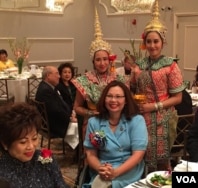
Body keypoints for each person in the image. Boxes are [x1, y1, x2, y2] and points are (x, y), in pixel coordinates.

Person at [130, 0, 185, 171]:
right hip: (141, 116)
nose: (152, 45)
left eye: (156, 41)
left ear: (163, 42)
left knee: (161, 160)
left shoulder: (171, 65)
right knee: (140, 154)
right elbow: (131, 90)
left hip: (163, 116)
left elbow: (178, 98)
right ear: (145, 43)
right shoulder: (138, 64)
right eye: (149, 41)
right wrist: (133, 80)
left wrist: (153, 106)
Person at [83, 80, 148, 188]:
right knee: (100, 183)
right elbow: (91, 154)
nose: (113, 100)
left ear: (125, 100)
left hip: (128, 168)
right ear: (104, 99)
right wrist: (100, 168)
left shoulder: (136, 121)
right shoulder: (95, 123)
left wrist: (116, 172)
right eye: (109, 96)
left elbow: (138, 154)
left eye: (118, 96)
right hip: (104, 168)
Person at [71, 9, 124, 140]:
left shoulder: (118, 78)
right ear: (93, 61)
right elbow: (77, 107)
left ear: (109, 60)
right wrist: (91, 113)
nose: (102, 63)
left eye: (105, 59)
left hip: (116, 122)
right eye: (98, 59)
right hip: (93, 124)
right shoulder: (84, 80)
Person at [0, 102, 69, 188]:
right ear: (5, 143)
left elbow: (61, 185)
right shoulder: (2, 176)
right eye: (23, 142)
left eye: (34, 138)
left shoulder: (45, 160)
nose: (31, 146)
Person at [35, 66, 71, 138]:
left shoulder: (47, 86)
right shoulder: (46, 91)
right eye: (57, 74)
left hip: (54, 121)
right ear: (48, 75)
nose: (59, 76)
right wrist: (70, 118)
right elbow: (56, 111)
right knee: (81, 124)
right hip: (55, 126)